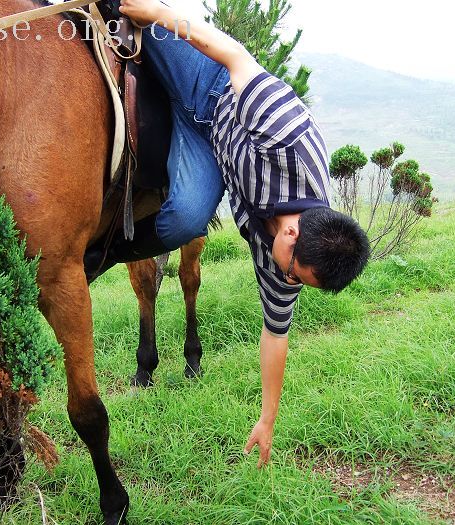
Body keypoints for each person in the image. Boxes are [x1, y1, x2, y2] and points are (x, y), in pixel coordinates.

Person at [87, 0, 371, 467]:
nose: (289, 281)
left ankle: (100, 253)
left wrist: (268, 418)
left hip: (206, 143)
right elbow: (235, 54)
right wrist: (156, 13)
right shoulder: (288, 138)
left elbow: (277, 334)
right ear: (294, 232)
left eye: (298, 280)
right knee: (127, 13)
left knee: (187, 220)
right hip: (209, 86)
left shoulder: (294, 254)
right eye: (295, 273)